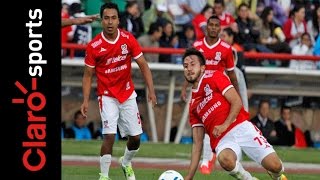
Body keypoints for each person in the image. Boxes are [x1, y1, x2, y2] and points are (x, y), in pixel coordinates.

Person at [182, 47, 286, 180]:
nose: (189, 69)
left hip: (241, 127)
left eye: (192, 64)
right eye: (185, 66)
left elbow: (237, 102)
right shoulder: (192, 106)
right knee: (225, 159)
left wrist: (225, 125)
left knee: (275, 166)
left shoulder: (215, 76)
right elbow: (197, 144)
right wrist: (189, 176)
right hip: (222, 140)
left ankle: (277, 176)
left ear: (202, 68)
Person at [80, 3, 157, 180]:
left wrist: (151, 90)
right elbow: (87, 75)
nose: (109, 22)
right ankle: (104, 176)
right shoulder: (94, 45)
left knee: (136, 138)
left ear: (118, 20)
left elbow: (143, 65)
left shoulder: (128, 39)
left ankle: (126, 162)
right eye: (106, 18)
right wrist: (85, 100)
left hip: (127, 94)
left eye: (113, 18)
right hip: (106, 95)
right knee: (109, 135)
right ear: (101, 20)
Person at [181, 15, 240, 175]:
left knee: (220, 125)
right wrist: (184, 87)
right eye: (211, 25)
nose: (213, 28)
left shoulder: (226, 49)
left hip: (219, 92)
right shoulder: (197, 45)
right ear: (206, 27)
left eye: (216, 25)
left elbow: (231, 73)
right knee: (204, 126)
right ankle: (208, 159)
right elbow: (189, 67)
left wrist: (237, 93)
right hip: (201, 92)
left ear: (220, 28)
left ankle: (213, 157)